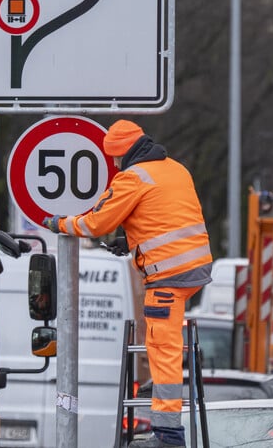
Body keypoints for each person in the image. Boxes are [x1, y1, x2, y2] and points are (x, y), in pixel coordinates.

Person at [42, 119, 212, 448]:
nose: (115, 165)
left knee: (163, 349)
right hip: (194, 268)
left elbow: (94, 223)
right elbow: (163, 216)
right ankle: (161, 395)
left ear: (122, 154)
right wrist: (130, 240)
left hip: (168, 276)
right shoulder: (175, 169)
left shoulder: (132, 178)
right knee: (163, 343)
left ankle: (168, 435)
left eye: (115, 159)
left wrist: (59, 223)